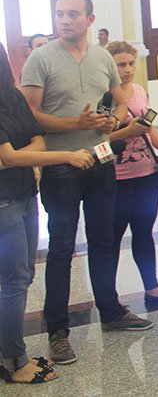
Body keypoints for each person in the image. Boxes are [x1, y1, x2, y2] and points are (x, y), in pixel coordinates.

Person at [20, 0, 152, 366]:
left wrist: (113, 118)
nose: (65, 20)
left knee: (104, 239)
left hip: (101, 160)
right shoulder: (40, 59)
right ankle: (57, 331)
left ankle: (110, 312)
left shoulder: (101, 57)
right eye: (60, 14)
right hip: (61, 164)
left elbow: (120, 99)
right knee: (62, 247)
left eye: (73, 14)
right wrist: (73, 124)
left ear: (90, 19)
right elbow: (30, 114)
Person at [0, 42, 96, 384]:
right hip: (3, 201)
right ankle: (14, 360)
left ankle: (10, 350)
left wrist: (22, 153)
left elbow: (36, 141)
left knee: (22, 277)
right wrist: (66, 156)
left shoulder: (10, 97)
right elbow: (8, 157)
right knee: (11, 282)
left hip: (24, 194)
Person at [106, 41, 158, 310]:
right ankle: (109, 296)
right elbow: (100, 139)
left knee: (143, 231)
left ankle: (152, 286)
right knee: (112, 237)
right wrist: (127, 130)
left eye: (130, 63)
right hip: (116, 177)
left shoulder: (138, 91)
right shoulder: (104, 96)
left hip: (146, 172)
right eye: (120, 65)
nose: (127, 70)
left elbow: (148, 127)